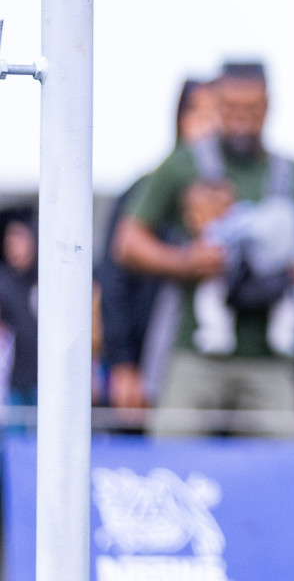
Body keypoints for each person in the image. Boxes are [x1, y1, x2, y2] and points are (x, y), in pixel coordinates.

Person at [114, 61, 294, 437]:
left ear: (268, 107)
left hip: (271, 358)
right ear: (217, 104)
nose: (241, 121)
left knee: (279, 474)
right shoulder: (184, 163)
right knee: (174, 465)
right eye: (232, 109)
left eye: (251, 111)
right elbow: (127, 243)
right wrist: (188, 261)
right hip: (196, 353)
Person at [98, 78, 220, 416]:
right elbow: (114, 280)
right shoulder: (146, 192)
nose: (210, 125)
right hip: (150, 357)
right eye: (201, 112)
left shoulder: (236, 192)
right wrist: (124, 361)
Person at [0, 206, 39, 414]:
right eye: (9, 239)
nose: (13, 246)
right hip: (12, 388)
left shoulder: (47, 283)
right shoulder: (3, 282)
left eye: (19, 238)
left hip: (44, 384)